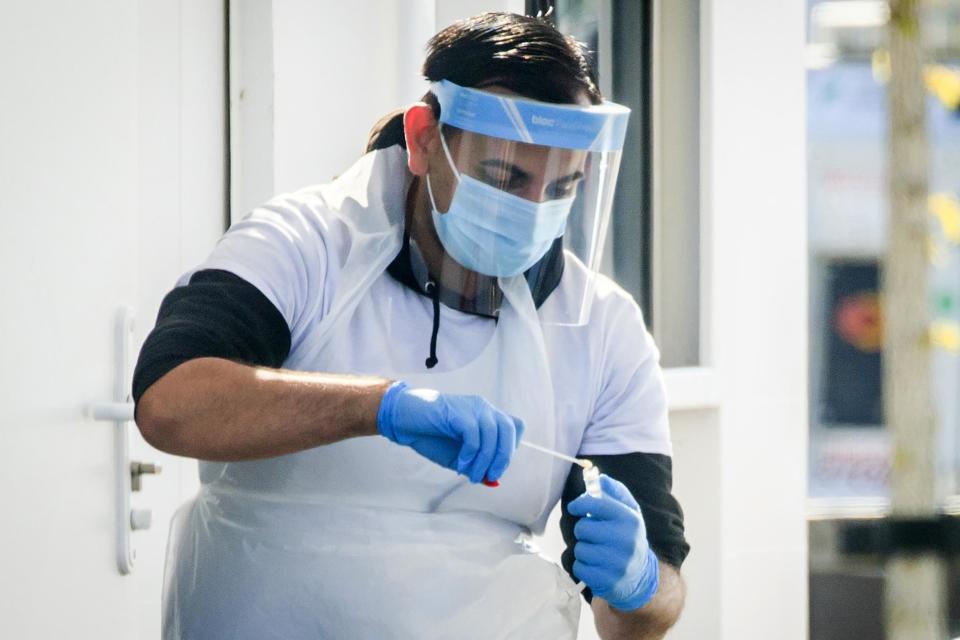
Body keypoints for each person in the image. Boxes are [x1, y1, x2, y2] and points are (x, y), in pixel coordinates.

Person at [133, 12, 689, 640]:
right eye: (505, 177)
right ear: (426, 139)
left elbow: (644, 616)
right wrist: (378, 408)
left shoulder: (604, 329)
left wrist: (638, 581)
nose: (532, 212)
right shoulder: (303, 244)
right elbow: (170, 403)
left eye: (561, 186)